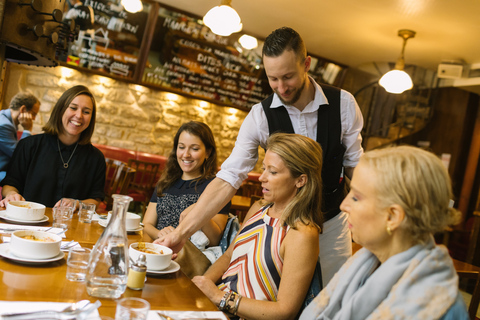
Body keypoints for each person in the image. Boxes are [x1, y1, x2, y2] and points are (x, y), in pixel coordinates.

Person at [158, 26, 364, 286]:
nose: (281, 87)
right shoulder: (259, 115)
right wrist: (180, 234)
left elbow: (356, 167)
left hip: (332, 222)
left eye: (288, 77)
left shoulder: (344, 104)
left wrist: (365, 221)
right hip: (281, 230)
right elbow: (229, 177)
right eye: (272, 79)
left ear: (306, 64)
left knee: (333, 299)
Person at [300, 145, 469, 320]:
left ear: (393, 216)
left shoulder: (441, 308)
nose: (344, 206)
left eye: (356, 197)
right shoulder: (364, 266)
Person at [192, 133, 323, 319]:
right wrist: (204, 284)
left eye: (273, 172)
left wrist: (219, 296)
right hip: (215, 309)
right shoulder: (259, 208)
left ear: (300, 180)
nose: (262, 177)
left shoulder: (301, 232)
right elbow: (230, 254)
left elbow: (285, 311)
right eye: (264, 169)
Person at [144, 121, 231, 277]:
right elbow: (147, 224)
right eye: (181, 147)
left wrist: (200, 209)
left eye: (195, 149)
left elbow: (214, 239)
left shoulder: (215, 188)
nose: (186, 154)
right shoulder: (166, 182)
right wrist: (161, 234)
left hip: (189, 265)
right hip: (157, 254)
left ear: (208, 152)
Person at [0, 85, 105, 208]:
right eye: (73, 108)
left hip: (72, 225)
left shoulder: (96, 158)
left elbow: (96, 200)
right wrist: (12, 194)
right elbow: (10, 183)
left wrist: (77, 203)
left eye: (86, 112)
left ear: (91, 118)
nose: (79, 115)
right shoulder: (28, 145)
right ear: (61, 109)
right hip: (28, 222)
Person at [0, 92, 40, 181]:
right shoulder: (4, 125)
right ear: (23, 109)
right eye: (33, 114)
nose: (33, 118)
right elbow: (20, 156)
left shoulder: (7, 119)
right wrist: (27, 129)